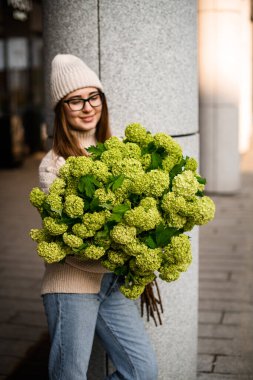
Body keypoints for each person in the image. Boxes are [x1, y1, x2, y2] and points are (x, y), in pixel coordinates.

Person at [39, 54, 158, 380]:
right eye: (75, 101)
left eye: (93, 97)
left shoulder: (118, 147)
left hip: (112, 282)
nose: (88, 107)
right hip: (72, 283)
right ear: (61, 109)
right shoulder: (54, 165)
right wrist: (128, 242)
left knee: (142, 371)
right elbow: (72, 239)